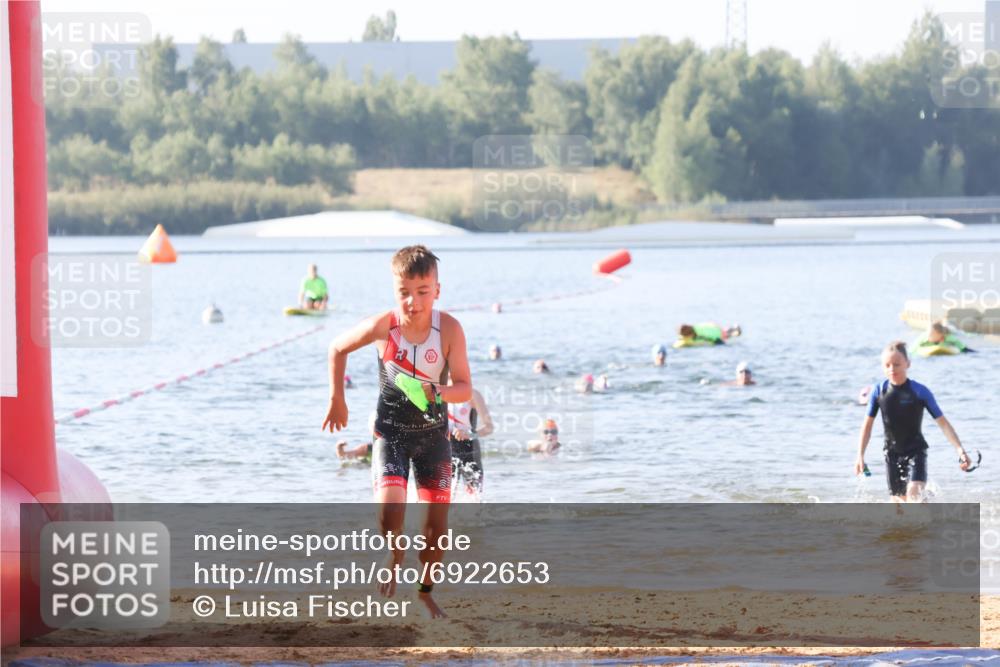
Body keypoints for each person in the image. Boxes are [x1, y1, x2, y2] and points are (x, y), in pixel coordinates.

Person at [323, 245, 471, 618]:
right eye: (404, 292)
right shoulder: (384, 327)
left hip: (433, 439)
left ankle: (424, 592)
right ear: (395, 291)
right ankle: (393, 552)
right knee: (390, 516)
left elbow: (465, 387)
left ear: (437, 290)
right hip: (390, 435)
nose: (413, 301)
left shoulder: (450, 329)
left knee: (436, 530)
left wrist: (438, 391)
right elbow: (337, 348)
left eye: (422, 292)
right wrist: (337, 398)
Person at [854, 341, 972, 503]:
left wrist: (960, 450)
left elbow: (943, 423)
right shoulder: (878, 391)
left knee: (913, 494)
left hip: (916, 452)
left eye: (897, 364)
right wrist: (860, 455)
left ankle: (922, 497)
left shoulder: (919, 391)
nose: (892, 369)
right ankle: (926, 501)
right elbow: (867, 426)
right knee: (899, 505)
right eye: (887, 365)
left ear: (907, 364)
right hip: (892, 454)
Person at [449, 386, 494, 497]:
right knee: (444, 500)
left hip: (470, 451)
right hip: (445, 450)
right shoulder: (437, 392)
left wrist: (469, 434)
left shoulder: (473, 394)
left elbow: (489, 427)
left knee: (474, 499)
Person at [677, 322, 742, 345]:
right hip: (714, 327)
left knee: (726, 335)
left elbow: (707, 338)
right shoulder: (695, 327)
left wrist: (716, 342)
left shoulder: (695, 335)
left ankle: (736, 333)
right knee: (723, 331)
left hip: (715, 334)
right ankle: (734, 327)